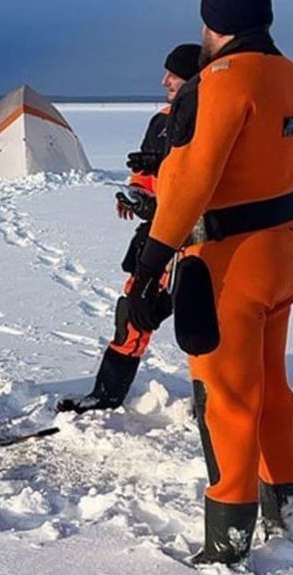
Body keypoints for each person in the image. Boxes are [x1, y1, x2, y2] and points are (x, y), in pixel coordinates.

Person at [127, 0, 293, 566]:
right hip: (287, 246)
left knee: (226, 395)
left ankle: (227, 538)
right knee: (272, 385)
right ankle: (282, 506)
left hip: (230, 259)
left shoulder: (218, 83)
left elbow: (190, 183)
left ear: (214, 24)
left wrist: (151, 264)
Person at [57, 44, 201, 414]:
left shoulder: (210, 117)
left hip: (200, 241)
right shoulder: (160, 121)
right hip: (157, 238)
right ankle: (107, 394)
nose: (164, 80)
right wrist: (136, 196)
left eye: (173, 74)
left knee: (207, 322)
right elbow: (144, 176)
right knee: (135, 311)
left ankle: (219, 397)